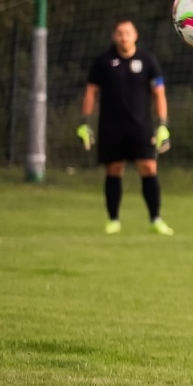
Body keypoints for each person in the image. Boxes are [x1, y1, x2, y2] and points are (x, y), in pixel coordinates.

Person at [79, 19, 173, 235]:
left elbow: (159, 93)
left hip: (140, 126)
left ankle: (155, 219)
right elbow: (91, 92)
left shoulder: (148, 60)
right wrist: (85, 122)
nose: (124, 37)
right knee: (114, 170)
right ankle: (113, 220)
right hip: (111, 127)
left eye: (127, 33)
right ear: (114, 36)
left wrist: (163, 125)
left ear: (135, 35)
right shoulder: (103, 62)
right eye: (120, 33)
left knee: (149, 168)